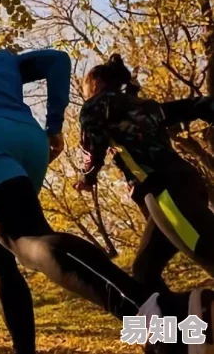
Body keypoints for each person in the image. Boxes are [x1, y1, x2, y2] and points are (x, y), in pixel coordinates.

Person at [0, 36, 212, 354]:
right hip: (30, 143)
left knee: (28, 240)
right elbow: (57, 60)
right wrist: (54, 123)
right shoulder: (2, 59)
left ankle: (166, 314)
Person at [75, 54, 214, 297]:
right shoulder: (146, 106)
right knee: (143, 272)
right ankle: (174, 330)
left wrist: (87, 178)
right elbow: (193, 106)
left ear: (93, 85)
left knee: (208, 250)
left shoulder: (95, 107)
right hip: (183, 185)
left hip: (165, 193)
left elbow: (92, 148)